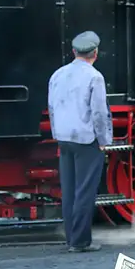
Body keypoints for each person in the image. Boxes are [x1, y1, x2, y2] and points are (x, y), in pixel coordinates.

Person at [48, 31, 113, 253]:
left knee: (69, 190)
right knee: (85, 191)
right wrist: (104, 140)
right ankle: (80, 241)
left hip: (64, 138)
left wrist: (57, 134)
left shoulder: (57, 75)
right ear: (95, 53)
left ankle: (71, 238)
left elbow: (52, 108)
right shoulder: (94, 77)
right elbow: (98, 113)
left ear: (74, 52)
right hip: (86, 140)